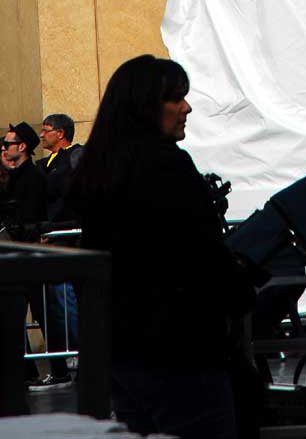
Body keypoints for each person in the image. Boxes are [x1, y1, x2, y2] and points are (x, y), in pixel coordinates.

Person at [69, 55, 256, 439]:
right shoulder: (166, 165)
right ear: (146, 106)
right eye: (175, 99)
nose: (186, 108)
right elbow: (201, 254)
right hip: (181, 351)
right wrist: (241, 291)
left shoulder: (99, 169)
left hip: (121, 351)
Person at [1, 122, 74, 390]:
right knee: (23, 314)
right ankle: (29, 370)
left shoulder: (30, 178)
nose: (3, 148)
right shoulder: (17, 176)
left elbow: (28, 218)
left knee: (45, 314)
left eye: (7, 144)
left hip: (30, 256)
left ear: (21, 147)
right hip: (21, 256)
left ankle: (57, 369)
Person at [36, 113, 83, 362]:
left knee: (66, 300)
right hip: (50, 240)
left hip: (66, 239)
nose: (42, 135)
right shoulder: (45, 164)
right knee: (54, 303)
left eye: (46, 130)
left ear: (60, 133)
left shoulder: (74, 158)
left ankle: (78, 351)